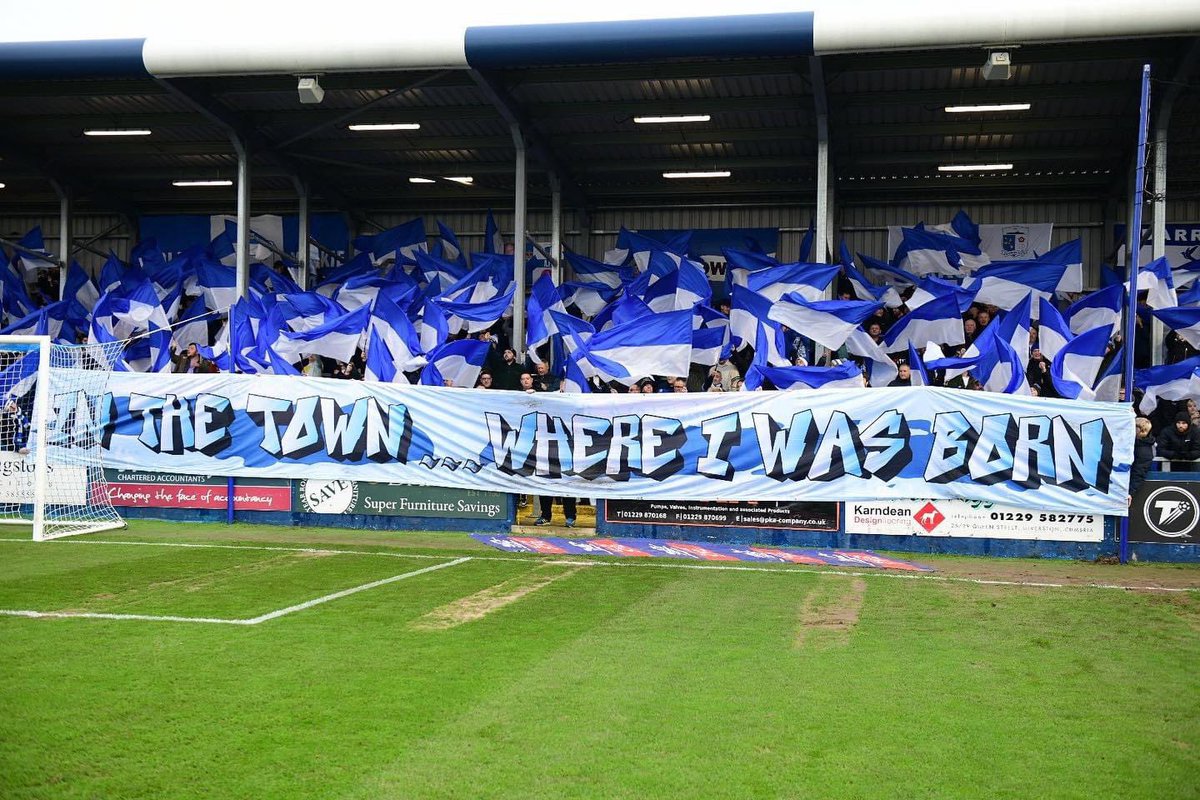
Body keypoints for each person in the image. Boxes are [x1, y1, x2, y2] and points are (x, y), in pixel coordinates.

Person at [1129, 416, 1155, 500]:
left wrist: (1130, 493)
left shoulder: (1144, 451)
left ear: (1141, 430)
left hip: (1126, 487)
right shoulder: (1130, 442)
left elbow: (1139, 473)